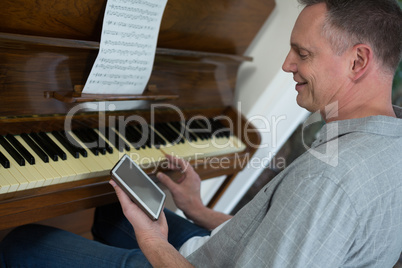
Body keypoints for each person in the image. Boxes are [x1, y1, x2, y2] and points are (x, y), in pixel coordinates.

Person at [1, 0, 401, 267]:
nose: (286, 64)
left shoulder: (328, 181)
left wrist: (155, 242)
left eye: (303, 53)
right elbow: (284, 235)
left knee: (21, 243)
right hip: (220, 249)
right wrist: (196, 208)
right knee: (111, 210)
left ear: (358, 61)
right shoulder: (390, 146)